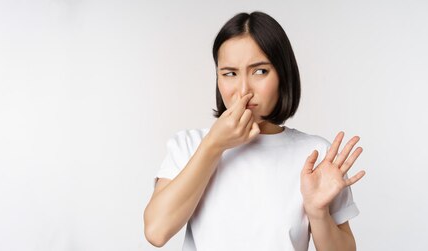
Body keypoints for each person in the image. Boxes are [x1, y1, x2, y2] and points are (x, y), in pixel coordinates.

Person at [143, 11, 366, 251]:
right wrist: (214, 145)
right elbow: (156, 232)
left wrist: (318, 212)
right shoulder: (189, 144)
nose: (243, 89)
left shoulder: (315, 155)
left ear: (283, 74)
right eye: (229, 73)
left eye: (260, 71)